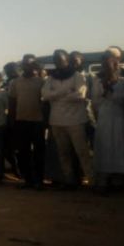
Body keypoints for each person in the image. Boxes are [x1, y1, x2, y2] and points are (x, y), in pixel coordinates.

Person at [41, 49, 91, 189]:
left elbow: (80, 95)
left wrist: (55, 95)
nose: (58, 63)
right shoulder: (51, 78)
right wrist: (66, 92)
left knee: (82, 153)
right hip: (56, 121)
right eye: (56, 61)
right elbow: (45, 95)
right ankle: (69, 181)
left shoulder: (77, 76)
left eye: (61, 61)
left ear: (67, 60)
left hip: (76, 121)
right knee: (63, 154)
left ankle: (93, 181)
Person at [91, 47, 124, 193]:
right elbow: (95, 100)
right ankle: (103, 180)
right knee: (104, 147)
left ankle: (119, 181)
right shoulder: (97, 79)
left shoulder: (123, 78)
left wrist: (110, 88)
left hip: (118, 117)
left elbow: (121, 99)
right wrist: (104, 91)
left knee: (119, 147)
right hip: (104, 117)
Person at [9, 55, 46, 190]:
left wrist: (45, 121)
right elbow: (12, 102)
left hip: (37, 121)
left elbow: (46, 103)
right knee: (23, 152)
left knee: (39, 153)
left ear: (34, 65)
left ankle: (39, 180)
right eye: (25, 64)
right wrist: (11, 120)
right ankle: (28, 180)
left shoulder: (41, 82)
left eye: (30, 64)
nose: (27, 67)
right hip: (21, 121)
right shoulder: (15, 82)